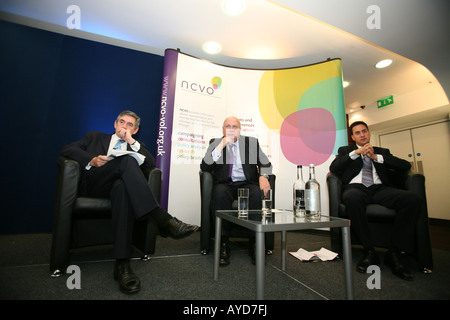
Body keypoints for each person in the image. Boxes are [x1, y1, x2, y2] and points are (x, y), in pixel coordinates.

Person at [61, 110, 199, 294]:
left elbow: (150, 163)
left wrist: (131, 142)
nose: (124, 127)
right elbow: (67, 149)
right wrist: (91, 160)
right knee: (126, 161)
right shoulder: (94, 136)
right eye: (122, 122)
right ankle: (163, 219)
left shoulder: (136, 144)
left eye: (130, 125)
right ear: (115, 124)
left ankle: (122, 265)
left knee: (122, 188)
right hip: (96, 184)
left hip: (119, 189)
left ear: (135, 130)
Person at [329, 121, 420, 281]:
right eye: (357, 133)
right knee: (352, 198)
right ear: (352, 137)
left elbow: (405, 165)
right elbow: (335, 167)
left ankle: (394, 253)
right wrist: (356, 153)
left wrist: (376, 157)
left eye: (364, 131)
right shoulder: (346, 151)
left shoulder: (382, 151)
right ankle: (369, 251)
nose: (362, 134)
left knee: (412, 199)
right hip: (356, 188)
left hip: (380, 189)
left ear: (369, 133)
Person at [200, 116, 272, 265]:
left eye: (235, 127)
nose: (231, 129)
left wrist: (264, 175)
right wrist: (221, 145)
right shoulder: (216, 143)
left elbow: (266, 164)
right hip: (225, 184)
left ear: (240, 129)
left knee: (256, 193)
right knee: (219, 193)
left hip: (247, 184)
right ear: (223, 129)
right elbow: (205, 167)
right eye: (228, 126)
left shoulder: (251, 143)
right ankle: (223, 243)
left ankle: (255, 242)